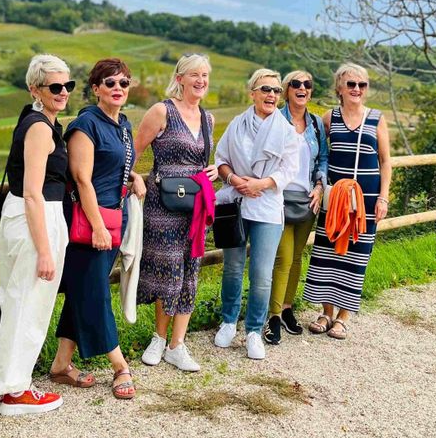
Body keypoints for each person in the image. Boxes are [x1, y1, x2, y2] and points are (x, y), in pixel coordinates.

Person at [0, 54, 75, 416]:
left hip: (21, 216)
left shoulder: (33, 120)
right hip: (36, 216)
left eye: (68, 85)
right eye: (55, 86)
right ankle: (15, 392)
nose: (63, 92)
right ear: (35, 89)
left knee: (15, 300)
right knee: (31, 305)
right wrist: (45, 250)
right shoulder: (41, 128)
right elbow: (32, 191)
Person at [49, 59, 144, 399]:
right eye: (110, 83)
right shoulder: (85, 124)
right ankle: (120, 366)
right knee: (95, 294)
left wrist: (134, 178)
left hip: (115, 220)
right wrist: (98, 226)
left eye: (123, 82)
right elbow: (82, 179)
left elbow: (118, 164)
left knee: (84, 292)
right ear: (96, 89)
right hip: (90, 225)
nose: (118, 87)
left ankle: (61, 365)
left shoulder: (124, 125)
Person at [133, 54, 217, 372]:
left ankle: (177, 345)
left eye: (205, 75)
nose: (201, 80)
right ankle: (158, 337)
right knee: (166, 271)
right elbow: (136, 151)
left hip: (194, 206)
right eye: (195, 74)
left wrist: (210, 172)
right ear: (180, 78)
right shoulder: (161, 111)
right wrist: (131, 180)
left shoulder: (207, 118)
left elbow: (203, 160)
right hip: (162, 205)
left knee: (190, 271)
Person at [213, 69, 300, 360]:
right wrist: (236, 180)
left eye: (276, 90)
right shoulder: (237, 125)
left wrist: (261, 183)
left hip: (266, 205)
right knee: (233, 267)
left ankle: (253, 330)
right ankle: (228, 321)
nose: (271, 95)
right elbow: (221, 160)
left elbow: (289, 169)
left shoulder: (286, 131)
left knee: (262, 273)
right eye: (265, 89)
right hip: (237, 203)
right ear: (252, 93)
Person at [304, 62, 391, 339]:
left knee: (356, 254)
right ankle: (325, 312)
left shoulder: (376, 118)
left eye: (361, 85)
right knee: (327, 251)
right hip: (336, 197)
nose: (356, 89)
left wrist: (383, 198)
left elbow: (385, 161)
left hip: (365, 199)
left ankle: (343, 316)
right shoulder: (330, 117)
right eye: (351, 84)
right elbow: (320, 154)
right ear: (339, 88)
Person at [264, 70, 328, 345]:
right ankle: (273, 316)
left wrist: (320, 186)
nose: (302, 88)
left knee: (297, 257)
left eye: (308, 84)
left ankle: (288, 308)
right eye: (296, 84)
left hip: (306, 201)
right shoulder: (275, 119)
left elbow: (322, 158)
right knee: (283, 258)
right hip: (278, 199)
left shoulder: (315, 124)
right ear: (287, 89)